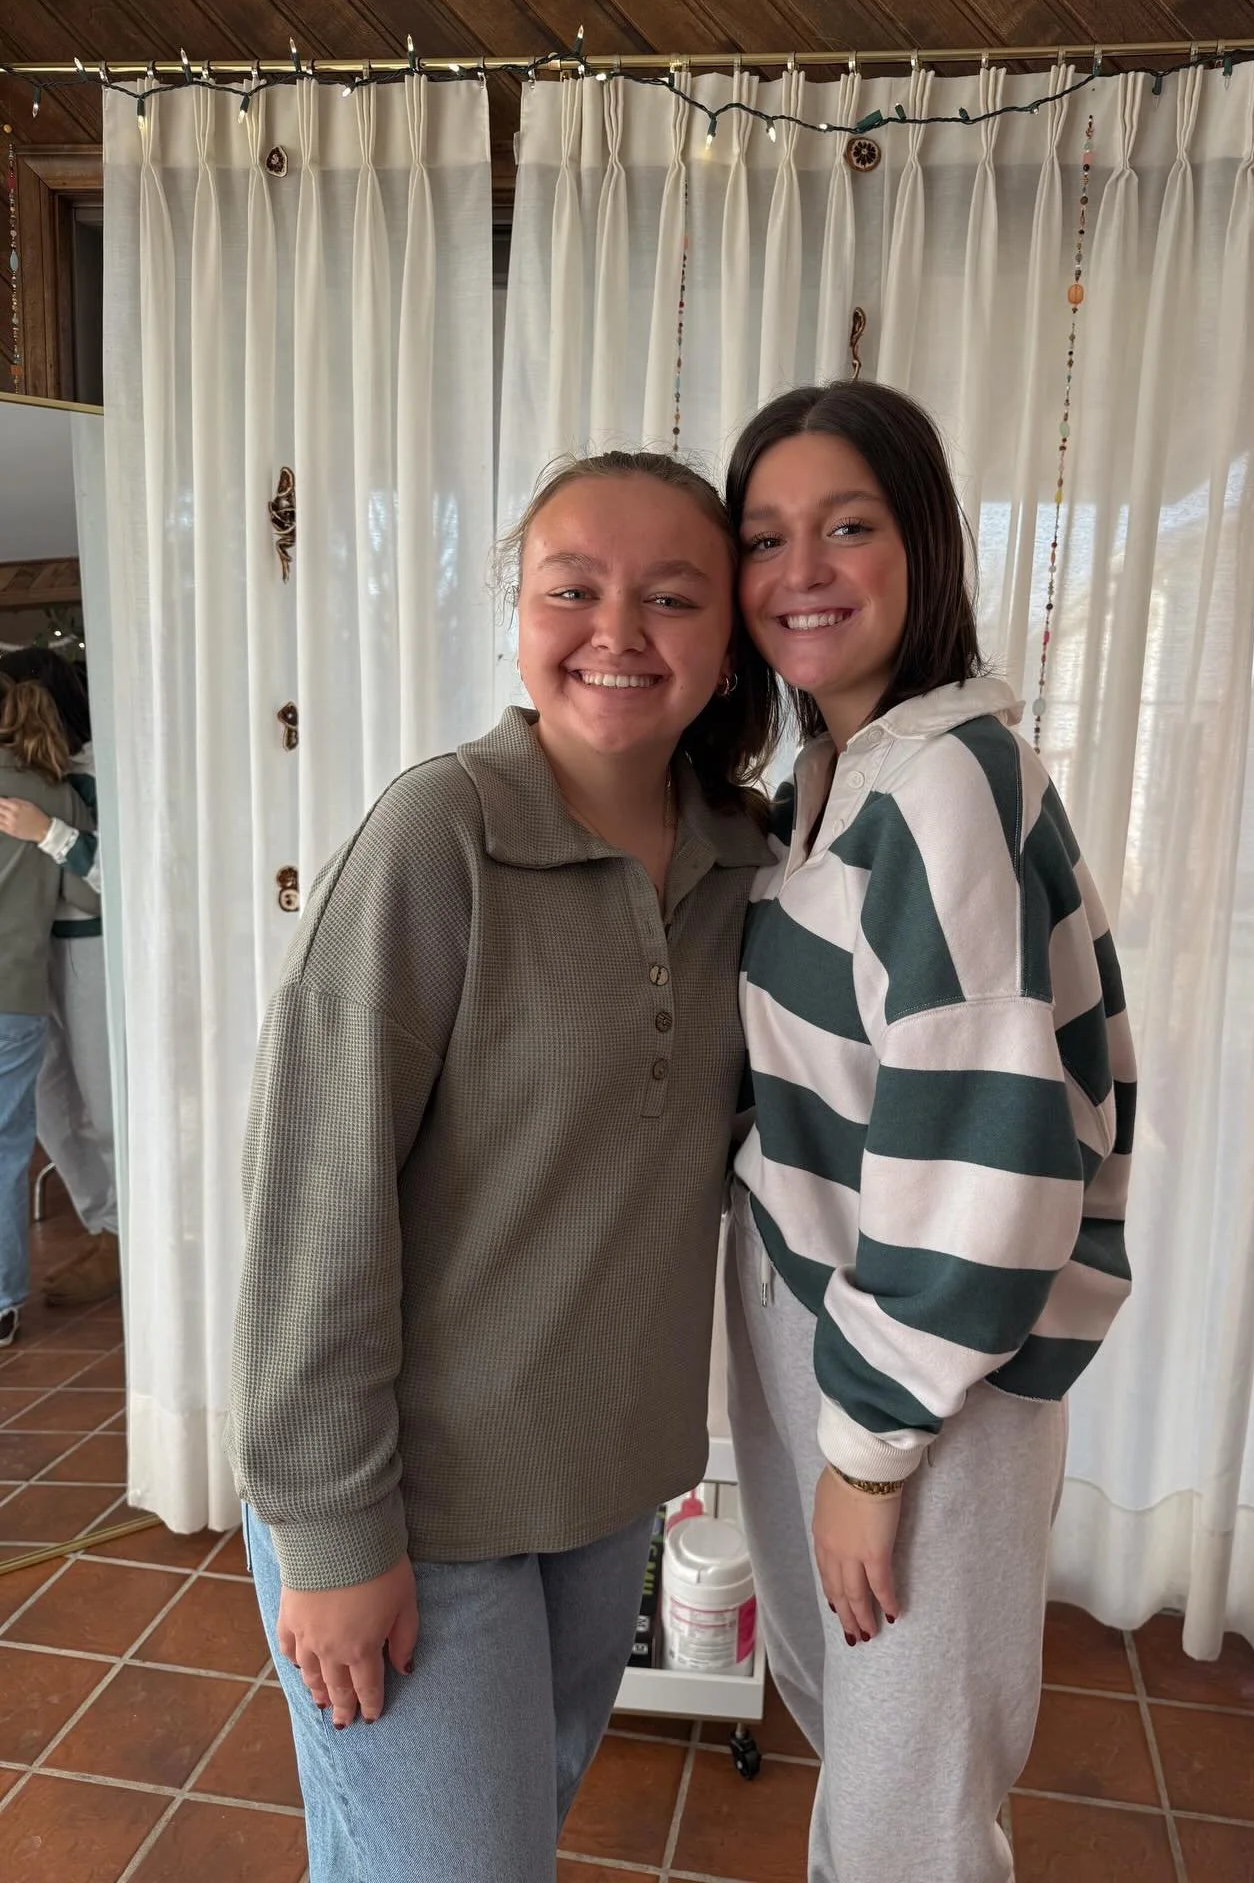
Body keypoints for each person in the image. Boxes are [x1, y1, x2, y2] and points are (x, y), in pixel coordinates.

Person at [228, 451, 778, 1883]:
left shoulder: (750, 865)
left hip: (601, 1495)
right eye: (573, 588)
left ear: (729, 646)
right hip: (412, 1499)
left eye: (672, 597)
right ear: (517, 613)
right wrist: (334, 1536)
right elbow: (313, 1210)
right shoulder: (441, 835)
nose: (619, 631)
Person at [723, 382, 1136, 1883]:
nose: (802, 571)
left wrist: (876, 1455)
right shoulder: (834, 777)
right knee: (868, 1744)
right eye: (765, 538)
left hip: (926, 1379)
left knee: (914, 1806)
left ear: (926, 545)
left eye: (849, 526)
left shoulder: (951, 785)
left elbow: (987, 1155)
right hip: (840, 1338)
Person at [0, 647, 118, 1306]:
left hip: (93, 950)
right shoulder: (38, 776)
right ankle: (103, 1225)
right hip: (32, 955)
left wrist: (51, 835)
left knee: (101, 1101)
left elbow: (109, 884)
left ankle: (122, 1237)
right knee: (49, 1104)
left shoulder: (95, 774)